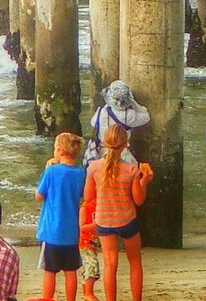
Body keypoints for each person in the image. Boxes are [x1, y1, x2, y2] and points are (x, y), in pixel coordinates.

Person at [87, 124, 151, 301]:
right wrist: (144, 181)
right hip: (126, 220)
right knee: (135, 262)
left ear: (105, 143)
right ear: (125, 145)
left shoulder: (94, 168)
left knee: (110, 264)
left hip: (104, 221)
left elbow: (88, 196)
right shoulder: (131, 170)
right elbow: (138, 200)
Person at [36, 132, 85, 301]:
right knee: (71, 271)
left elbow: (39, 195)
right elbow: (82, 195)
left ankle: (47, 298)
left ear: (60, 150)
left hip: (52, 231)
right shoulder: (80, 173)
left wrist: (46, 169)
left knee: (50, 270)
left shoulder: (52, 171)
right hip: (71, 231)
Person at [87, 81, 150, 164]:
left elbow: (93, 123)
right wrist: (133, 103)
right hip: (122, 154)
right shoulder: (128, 116)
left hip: (101, 152)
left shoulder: (100, 112)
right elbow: (146, 116)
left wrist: (107, 104)